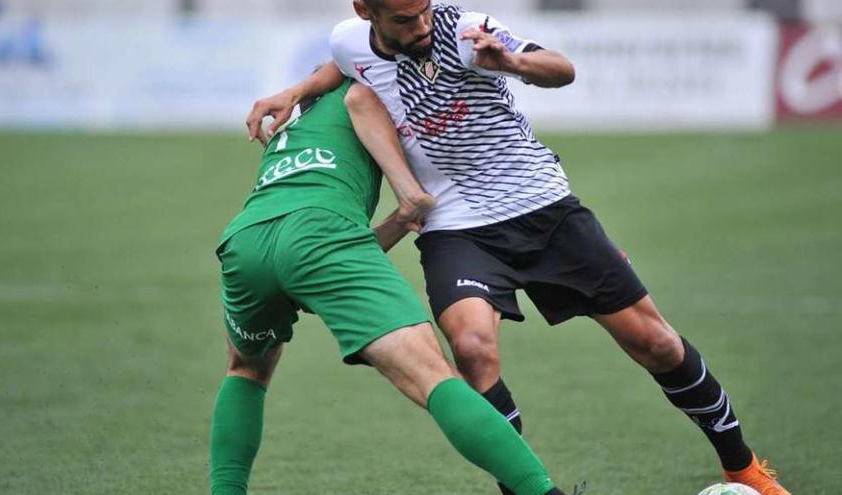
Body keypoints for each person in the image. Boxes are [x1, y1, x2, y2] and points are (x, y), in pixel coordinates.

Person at [244, 2, 792, 494]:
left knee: (655, 344)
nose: (422, 25)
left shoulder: (463, 29)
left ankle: (742, 468)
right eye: (405, 20)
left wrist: (513, 64)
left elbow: (562, 68)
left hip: (541, 206)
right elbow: (345, 64)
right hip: (454, 223)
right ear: (367, 13)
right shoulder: (349, 37)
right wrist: (297, 91)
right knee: (473, 348)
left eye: (424, 11)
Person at [211, 79, 573, 495]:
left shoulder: (298, 122)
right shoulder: (360, 87)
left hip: (247, 241)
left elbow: (337, 248)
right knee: (435, 378)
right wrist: (411, 192)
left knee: (247, 368)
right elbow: (325, 245)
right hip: (320, 233)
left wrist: (401, 221)